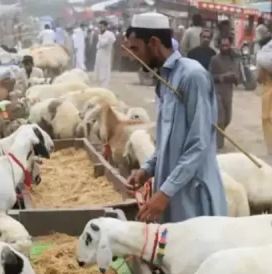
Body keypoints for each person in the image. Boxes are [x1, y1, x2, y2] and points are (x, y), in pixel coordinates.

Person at [124, 12, 228, 223]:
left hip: (192, 196)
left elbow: (199, 143)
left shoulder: (192, 76)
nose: (133, 56)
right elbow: (167, 142)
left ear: (153, 43)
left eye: (136, 49)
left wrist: (165, 193)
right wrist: (147, 170)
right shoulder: (164, 78)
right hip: (169, 193)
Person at [209, 36, 239, 150]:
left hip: (228, 91)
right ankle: (218, 145)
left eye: (227, 45)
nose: (225, 48)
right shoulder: (214, 59)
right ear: (219, 46)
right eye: (223, 45)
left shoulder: (234, 59)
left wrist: (235, 77)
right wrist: (221, 76)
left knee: (227, 119)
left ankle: (217, 137)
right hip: (217, 90)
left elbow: (239, 77)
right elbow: (210, 76)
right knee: (220, 118)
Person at [95, 20, 116, 87]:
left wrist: (99, 36)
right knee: (98, 70)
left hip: (105, 54)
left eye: (101, 27)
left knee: (104, 70)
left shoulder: (109, 34)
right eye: (99, 27)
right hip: (99, 54)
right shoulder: (101, 34)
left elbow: (103, 43)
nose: (100, 28)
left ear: (105, 27)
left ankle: (104, 86)